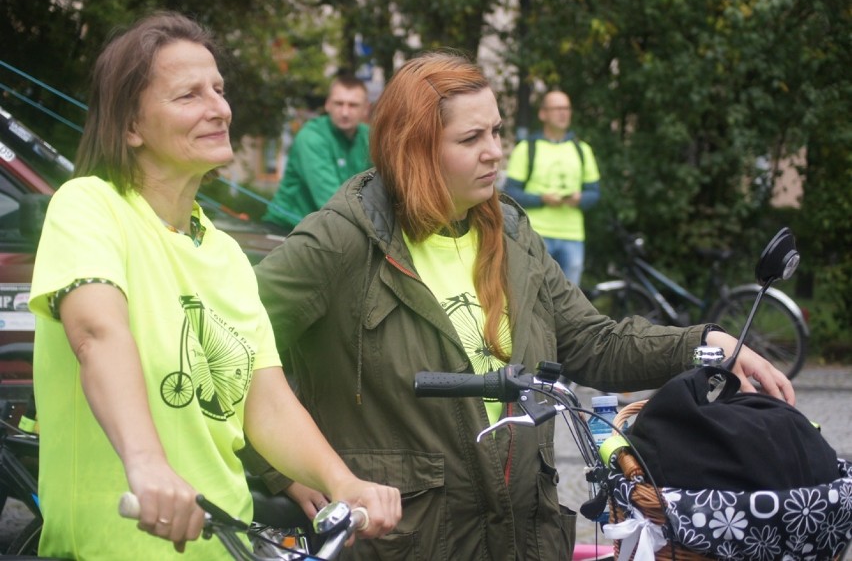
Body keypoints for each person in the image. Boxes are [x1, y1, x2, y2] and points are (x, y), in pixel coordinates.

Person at [252, 51, 794, 560]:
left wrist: (706, 344)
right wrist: (285, 470)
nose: (495, 151)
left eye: (497, 131)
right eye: (471, 138)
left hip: (521, 534)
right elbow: (225, 344)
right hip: (408, 542)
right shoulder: (346, 238)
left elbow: (593, 343)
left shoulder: (509, 231)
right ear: (413, 148)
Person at [27, 12, 400, 560]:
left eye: (219, 90)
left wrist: (344, 482)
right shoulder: (88, 205)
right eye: (189, 95)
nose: (220, 108)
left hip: (227, 547)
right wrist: (147, 464)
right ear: (131, 126)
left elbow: (264, 400)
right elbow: (98, 334)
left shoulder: (224, 252)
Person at [503, 90, 600, 286]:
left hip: (572, 235)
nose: (563, 113)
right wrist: (542, 199)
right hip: (535, 234)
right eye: (557, 108)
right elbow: (510, 192)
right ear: (543, 114)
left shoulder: (582, 150)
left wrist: (580, 199)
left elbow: (595, 194)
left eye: (566, 108)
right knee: (533, 295)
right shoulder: (527, 148)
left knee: (571, 300)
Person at [261, 74, 371, 234]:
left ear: (366, 109)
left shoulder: (368, 137)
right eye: (339, 103)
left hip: (330, 231)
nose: (345, 112)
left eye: (353, 105)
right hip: (287, 229)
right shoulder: (311, 137)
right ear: (327, 104)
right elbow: (334, 202)